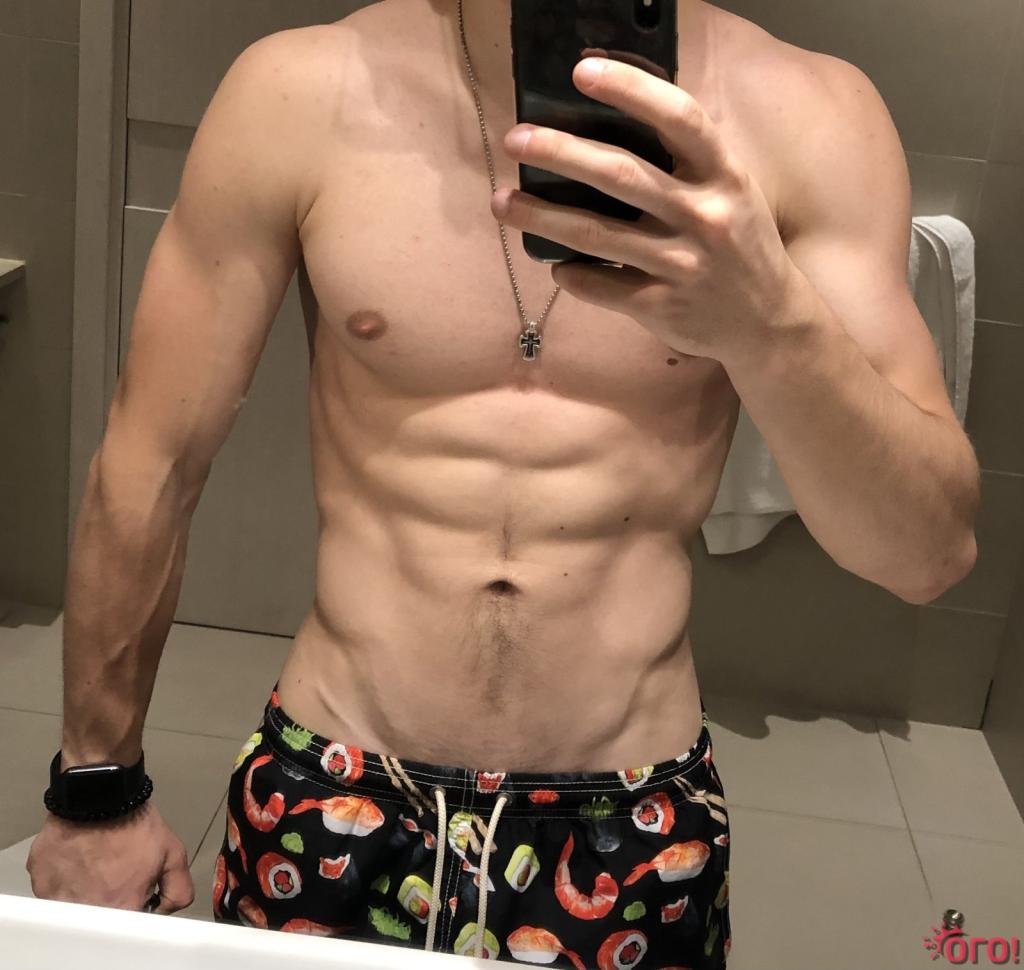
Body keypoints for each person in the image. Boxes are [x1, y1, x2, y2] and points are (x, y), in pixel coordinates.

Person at [27, 1, 979, 967]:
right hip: (333, 783)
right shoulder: (300, 91)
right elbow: (151, 464)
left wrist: (769, 323)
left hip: (632, 815)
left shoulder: (810, 117)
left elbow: (926, 553)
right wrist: (95, 793)